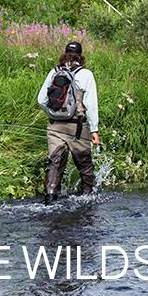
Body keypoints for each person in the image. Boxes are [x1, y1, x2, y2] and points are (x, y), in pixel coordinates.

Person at [36, 40, 100, 204]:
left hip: (55, 126)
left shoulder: (54, 72)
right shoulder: (86, 75)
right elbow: (91, 106)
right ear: (80, 56)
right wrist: (94, 130)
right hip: (77, 127)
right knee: (85, 164)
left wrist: (53, 114)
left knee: (55, 163)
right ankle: (88, 199)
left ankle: (50, 200)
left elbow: (41, 99)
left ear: (64, 55)